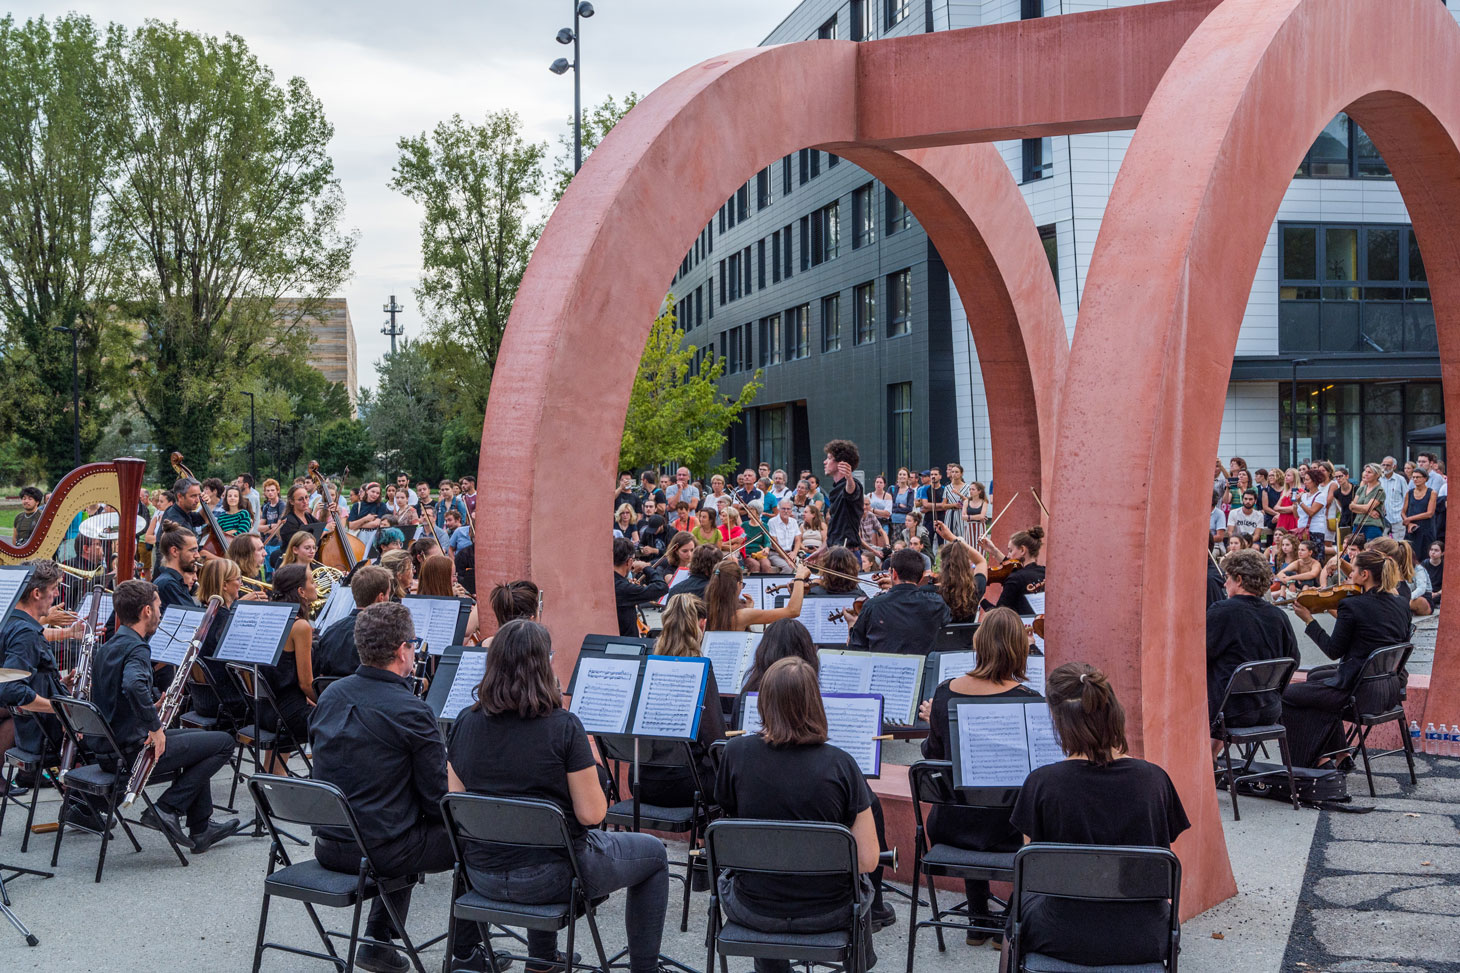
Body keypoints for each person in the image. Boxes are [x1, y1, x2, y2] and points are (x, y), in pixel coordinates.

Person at [447, 619, 670, 973]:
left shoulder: (464, 721)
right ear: (543, 666)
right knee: (655, 854)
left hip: (481, 874)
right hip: (553, 879)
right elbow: (592, 815)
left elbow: (459, 807)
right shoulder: (563, 727)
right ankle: (645, 968)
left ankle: (542, 960)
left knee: (537, 834)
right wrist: (592, 765)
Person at [311, 602, 491, 973]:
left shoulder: (332, 695)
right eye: (413, 644)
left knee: (396, 820)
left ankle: (379, 939)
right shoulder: (411, 709)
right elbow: (436, 801)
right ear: (401, 651)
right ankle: (466, 952)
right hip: (380, 851)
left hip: (330, 843)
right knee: (475, 835)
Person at [1006, 662, 1190, 968]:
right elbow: (1161, 861)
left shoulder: (1042, 783)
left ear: (1058, 721)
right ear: (1113, 711)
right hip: (1145, 935)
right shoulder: (1155, 780)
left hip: (1059, 933)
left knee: (1015, 909)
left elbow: (1028, 871)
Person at [715, 657, 882, 973]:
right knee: (863, 887)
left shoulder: (735, 753)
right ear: (815, 704)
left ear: (764, 703)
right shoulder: (842, 765)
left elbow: (728, 823)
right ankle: (857, 966)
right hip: (828, 910)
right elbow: (868, 860)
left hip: (753, 907)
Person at [916, 608, 1039, 941]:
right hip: (1009, 830)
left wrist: (933, 726)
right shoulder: (1031, 700)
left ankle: (978, 920)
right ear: (1019, 649)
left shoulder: (944, 693)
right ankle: (1008, 923)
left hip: (951, 826)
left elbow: (933, 758)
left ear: (978, 643)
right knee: (1025, 817)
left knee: (967, 793)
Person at [90, 580, 241, 852]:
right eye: (159, 607)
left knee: (201, 740)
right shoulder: (137, 648)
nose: (161, 613)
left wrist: (150, 707)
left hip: (111, 748)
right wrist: (155, 726)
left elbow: (117, 695)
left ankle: (201, 827)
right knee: (224, 743)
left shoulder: (110, 645)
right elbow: (132, 685)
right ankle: (166, 808)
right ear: (146, 611)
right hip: (133, 752)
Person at [1284, 549, 1410, 768]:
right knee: (1315, 676)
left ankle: (1317, 760)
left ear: (1365, 575)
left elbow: (1334, 651)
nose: (1349, 575)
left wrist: (1309, 621)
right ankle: (1341, 755)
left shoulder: (1352, 606)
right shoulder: (1401, 604)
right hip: (1389, 688)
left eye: (1354, 571)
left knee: (1288, 695)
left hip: (1361, 693)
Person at [1205, 551, 1300, 752]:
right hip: (1270, 709)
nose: (1224, 584)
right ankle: (1212, 755)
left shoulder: (1222, 611)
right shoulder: (1278, 615)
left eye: (1227, 578)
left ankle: (1203, 760)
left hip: (1229, 713)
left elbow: (1198, 657)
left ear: (1239, 579)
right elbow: (1293, 661)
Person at [637, 594, 725, 807]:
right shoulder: (700, 669)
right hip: (686, 784)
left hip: (642, 782)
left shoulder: (646, 665)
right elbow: (715, 740)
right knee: (736, 781)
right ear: (701, 625)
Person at [0, 561, 67, 784]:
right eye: (55, 588)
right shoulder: (25, 633)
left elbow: (20, 675)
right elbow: (11, 688)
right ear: (37, 593)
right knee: (108, 744)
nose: (57, 593)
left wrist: (56, 683)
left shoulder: (9, 620)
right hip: (42, 734)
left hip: (29, 727)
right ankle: (83, 808)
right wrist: (60, 708)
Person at [262, 565, 318, 770]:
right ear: (301, 591)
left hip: (264, 708)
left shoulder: (269, 616)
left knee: (275, 769)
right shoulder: (300, 626)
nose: (315, 586)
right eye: (312, 581)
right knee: (341, 720)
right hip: (287, 714)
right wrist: (325, 703)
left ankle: (272, 783)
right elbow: (306, 684)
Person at [844, 548, 950, 655]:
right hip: (924, 669)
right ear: (922, 575)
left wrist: (851, 623)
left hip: (884, 669)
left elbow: (855, 650)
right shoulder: (935, 603)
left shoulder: (872, 606)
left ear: (894, 573)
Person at [315, 564, 394, 679]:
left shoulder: (330, 631)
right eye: (388, 594)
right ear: (381, 598)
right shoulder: (383, 634)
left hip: (332, 695)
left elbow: (320, 674)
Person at [705, 556, 811, 632]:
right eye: (742, 584)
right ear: (737, 585)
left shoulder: (706, 608)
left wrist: (749, 608)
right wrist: (799, 577)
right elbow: (793, 611)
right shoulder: (742, 616)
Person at [980, 527, 1046, 616]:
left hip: (1021, 628)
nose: (1008, 555)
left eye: (1010, 551)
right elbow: (1012, 565)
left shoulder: (1015, 579)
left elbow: (999, 615)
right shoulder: (1045, 572)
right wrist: (994, 551)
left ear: (1022, 550)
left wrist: (980, 598)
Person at [931, 525, 989, 623]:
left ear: (943, 564)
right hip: (966, 638)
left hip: (941, 638)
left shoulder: (930, 592)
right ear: (967, 564)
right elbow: (981, 561)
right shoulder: (975, 588)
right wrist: (953, 538)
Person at [613, 537, 667, 637]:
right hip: (626, 642)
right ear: (629, 562)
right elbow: (661, 587)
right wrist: (645, 567)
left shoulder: (612, 582)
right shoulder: (624, 588)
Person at [823, 439, 865, 551]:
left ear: (841, 463)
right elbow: (835, 530)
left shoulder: (854, 484)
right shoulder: (835, 488)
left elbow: (851, 491)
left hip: (847, 554)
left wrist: (849, 477)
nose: (825, 462)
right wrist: (819, 552)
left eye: (829, 458)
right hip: (834, 551)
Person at [153, 525, 202, 609]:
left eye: (197, 550)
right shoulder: (168, 584)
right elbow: (192, 618)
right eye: (192, 550)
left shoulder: (174, 582)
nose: (197, 555)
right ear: (174, 551)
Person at [1402, 466, 1438, 564]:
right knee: (1410, 557)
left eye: (1418, 477)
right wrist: (1409, 523)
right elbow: (1403, 512)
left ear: (1425, 478)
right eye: (1413, 477)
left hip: (1426, 529)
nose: (1415, 479)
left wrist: (1409, 519)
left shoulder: (1432, 493)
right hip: (1412, 530)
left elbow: (1430, 513)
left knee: (1425, 557)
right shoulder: (1409, 493)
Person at [277, 484, 322, 553]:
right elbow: (300, 544)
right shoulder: (288, 520)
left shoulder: (308, 516)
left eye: (306, 497)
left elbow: (322, 526)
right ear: (292, 502)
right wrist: (324, 531)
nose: (305, 501)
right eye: (300, 499)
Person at [1349, 464, 1387, 543]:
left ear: (1377, 475)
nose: (1366, 474)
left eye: (1369, 472)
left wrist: (1356, 507)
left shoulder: (1379, 490)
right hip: (1357, 523)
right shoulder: (1361, 488)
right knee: (1354, 546)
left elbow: (1365, 507)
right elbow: (1351, 507)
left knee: (1370, 550)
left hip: (1372, 525)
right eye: (1365, 471)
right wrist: (1369, 511)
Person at [764, 499, 803, 571]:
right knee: (788, 567)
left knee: (801, 566)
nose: (786, 511)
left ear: (791, 510)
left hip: (790, 553)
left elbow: (798, 539)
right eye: (783, 508)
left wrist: (794, 553)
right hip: (775, 554)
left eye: (788, 509)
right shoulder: (772, 522)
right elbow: (774, 544)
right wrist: (787, 558)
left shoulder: (793, 522)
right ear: (779, 509)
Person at [1379, 457, 1408, 541]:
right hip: (1382, 518)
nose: (1385, 467)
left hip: (1397, 518)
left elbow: (1406, 497)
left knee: (1398, 545)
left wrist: (1403, 514)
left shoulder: (1400, 480)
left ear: (1394, 467)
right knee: (1383, 545)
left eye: (1388, 465)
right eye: (1383, 465)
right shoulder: (1378, 479)